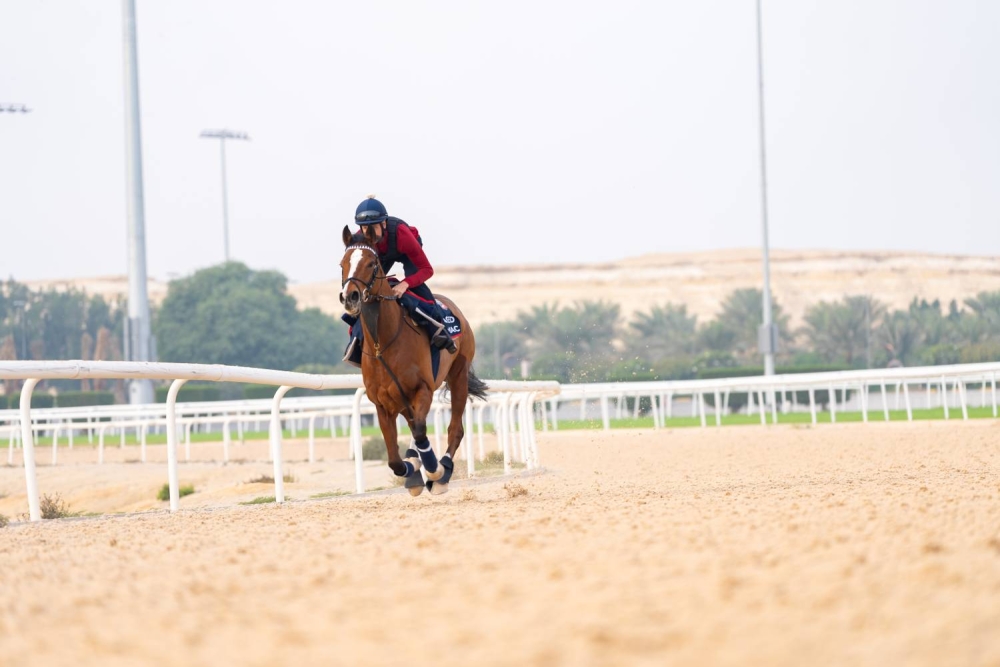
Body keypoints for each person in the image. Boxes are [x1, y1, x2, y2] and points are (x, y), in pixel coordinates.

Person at [342, 195, 458, 365]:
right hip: (379, 255)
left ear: (384, 223)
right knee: (367, 293)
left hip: (405, 249)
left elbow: (427, 270)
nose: (369, 233)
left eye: (373, 227)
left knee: (418, 290)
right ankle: (355, 340)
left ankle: (439, 332)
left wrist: (406, 283)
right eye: (365, 228)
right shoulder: (363, 241)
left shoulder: (402, 235)